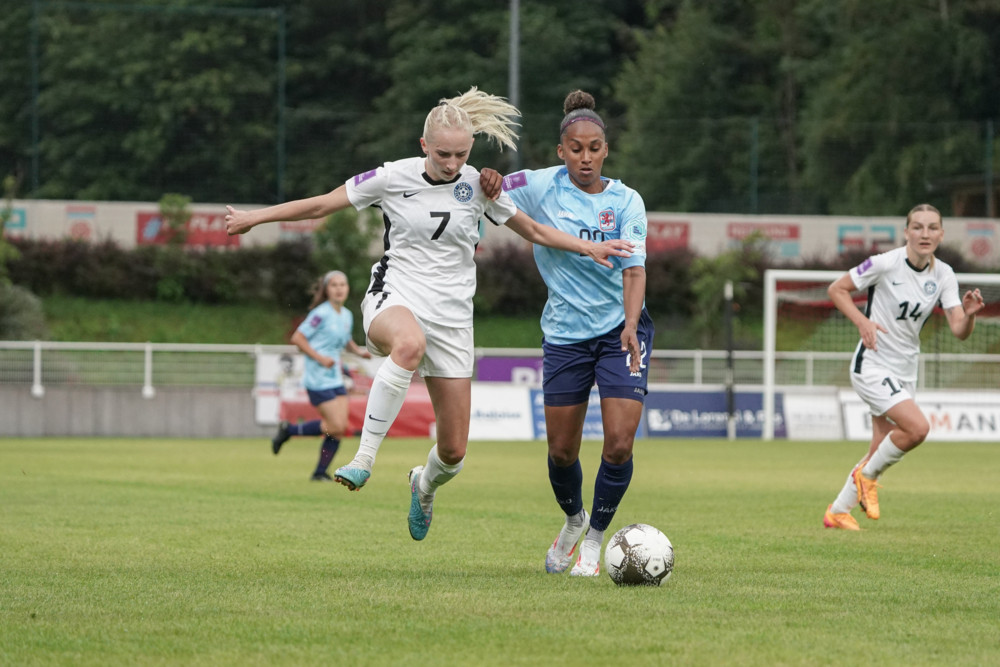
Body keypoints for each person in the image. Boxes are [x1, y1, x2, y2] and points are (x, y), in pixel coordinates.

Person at [226, 87, 632, 541]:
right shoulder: (391, 177)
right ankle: (363, 459)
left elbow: (534, 230)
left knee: (454, 452)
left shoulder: (479, 184)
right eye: (443, 154)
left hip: (453, 319)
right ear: (424, 146)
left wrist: (590, 246)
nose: (452, 163)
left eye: (461, 154)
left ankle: (422, 485)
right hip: (396, 294)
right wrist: (253, 218)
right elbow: (322, 203)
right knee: (408, 344)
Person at [479, 90, 652, 577]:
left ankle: (595, 542)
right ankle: (573, 520)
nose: (585, 157)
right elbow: (483, 185)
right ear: (561, 151)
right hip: (564, 335)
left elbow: (634, 269)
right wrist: (490, 177)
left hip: (622, 330)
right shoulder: (538, 185)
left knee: (619, 443)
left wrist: (633, 325)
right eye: (575, 149)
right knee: (561, 451)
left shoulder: (627, 201)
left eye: (594, 147)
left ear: (605, 149)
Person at [822, 204, 984, 530]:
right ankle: (864, 476)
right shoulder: (885, 264)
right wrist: (861, 321)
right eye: (918, 227)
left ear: (941, 233)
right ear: (906, 232)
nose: (925, 234)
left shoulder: (944, 274)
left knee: (879, 446)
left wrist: (970, 315)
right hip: (872, 363)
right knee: (918, 429)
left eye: (932, 228)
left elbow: (959, 331)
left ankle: (837, 512)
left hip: (905, 369)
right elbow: (836, 289)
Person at [271, 270, 372, 481]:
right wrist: (319, 358)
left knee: (339, 429)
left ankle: (319, 473)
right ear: (326, 290)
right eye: (334, 285)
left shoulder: (346, 314)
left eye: (343, 285)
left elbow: (346, 340)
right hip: (317, 378)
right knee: (334, 426)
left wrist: (359, 351)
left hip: (335, 378)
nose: (339, 289)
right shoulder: (320, 313)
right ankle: (289, 430)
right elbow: (298, 338)